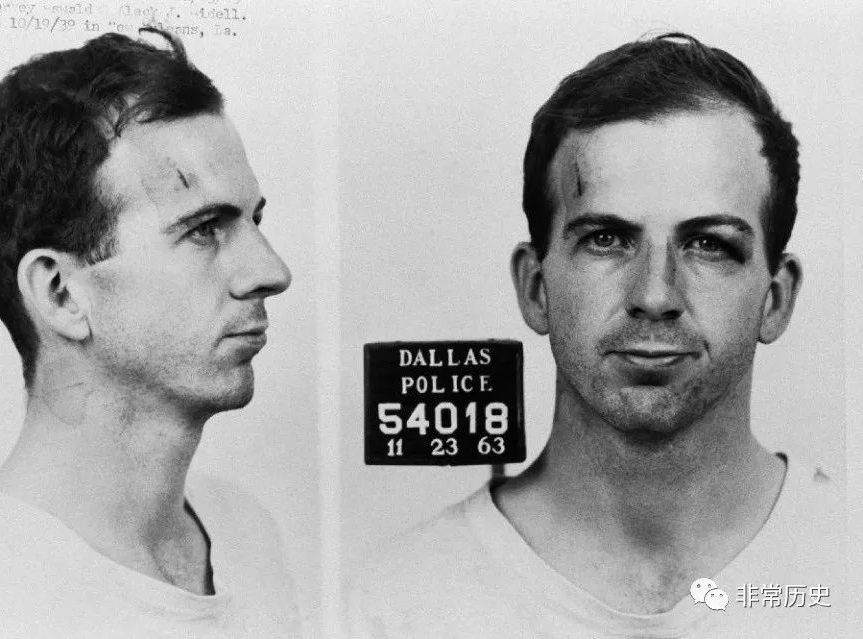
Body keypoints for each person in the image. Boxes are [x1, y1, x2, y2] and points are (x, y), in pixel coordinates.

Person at [349, 33, 845, 638]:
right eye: (606, 240)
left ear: (777, 298)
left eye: (708, 244)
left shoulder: (849, 563)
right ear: (536, 288)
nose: (655, 295)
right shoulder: (393, 604)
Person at [0, 28, 298, 638]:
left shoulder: (247, 535)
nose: (271, 272)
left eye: (255, 220)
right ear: (61, 294)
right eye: (204, 229)